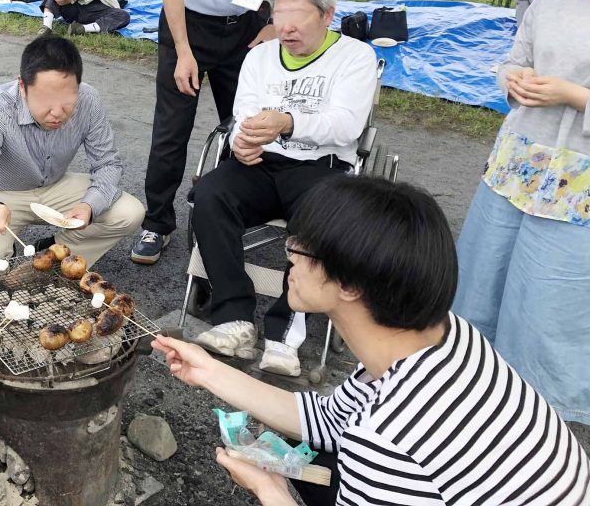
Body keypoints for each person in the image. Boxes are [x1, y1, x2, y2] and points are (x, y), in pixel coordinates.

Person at [154, 177, 590, 506]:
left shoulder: (387, 438)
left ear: (351, 286)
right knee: (321, 463)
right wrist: (208, 371)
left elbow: (364, 438)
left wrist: (270, 490)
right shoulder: (444, 337)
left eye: (301, 247)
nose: (288, 254)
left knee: (313, 472)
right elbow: (328, 420)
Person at [192, 0, 376, 377]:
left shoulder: (355, 57)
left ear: (327, 15)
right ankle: (234, 317)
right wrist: (241, 138)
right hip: (262, 161)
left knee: (320, 219)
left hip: (321, 167)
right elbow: (242, 115)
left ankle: (284, 334)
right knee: (210, 193)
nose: (287, 30)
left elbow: (347, 125)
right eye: (279, 18)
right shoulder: (259, 56)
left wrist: (288, 121)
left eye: (299, 19)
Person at [134, 0, 308, 264]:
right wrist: (184, 51)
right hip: (191, 23)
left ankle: (226, 210)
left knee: (246, 124)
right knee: (172, 130)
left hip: (247, 24)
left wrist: (271, 18)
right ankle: (157, 223)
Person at [453, 0, 590, 424]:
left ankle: (540, 409)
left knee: (549, 295)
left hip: (578, 180)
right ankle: (473, 379)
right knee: (484, 272)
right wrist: (513, 80)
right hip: (520, 164)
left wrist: (573, 96)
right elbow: (516, 58)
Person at [0, 34, 145, 267]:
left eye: (67, 100)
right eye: (46, 100)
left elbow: (107, 163)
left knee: (130, 213)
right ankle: (7, 251)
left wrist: (89, 206)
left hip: (56, 185)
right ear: (22, 86)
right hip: (4, 194)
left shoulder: (88, 100)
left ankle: (54, 250)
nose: (57, 112)